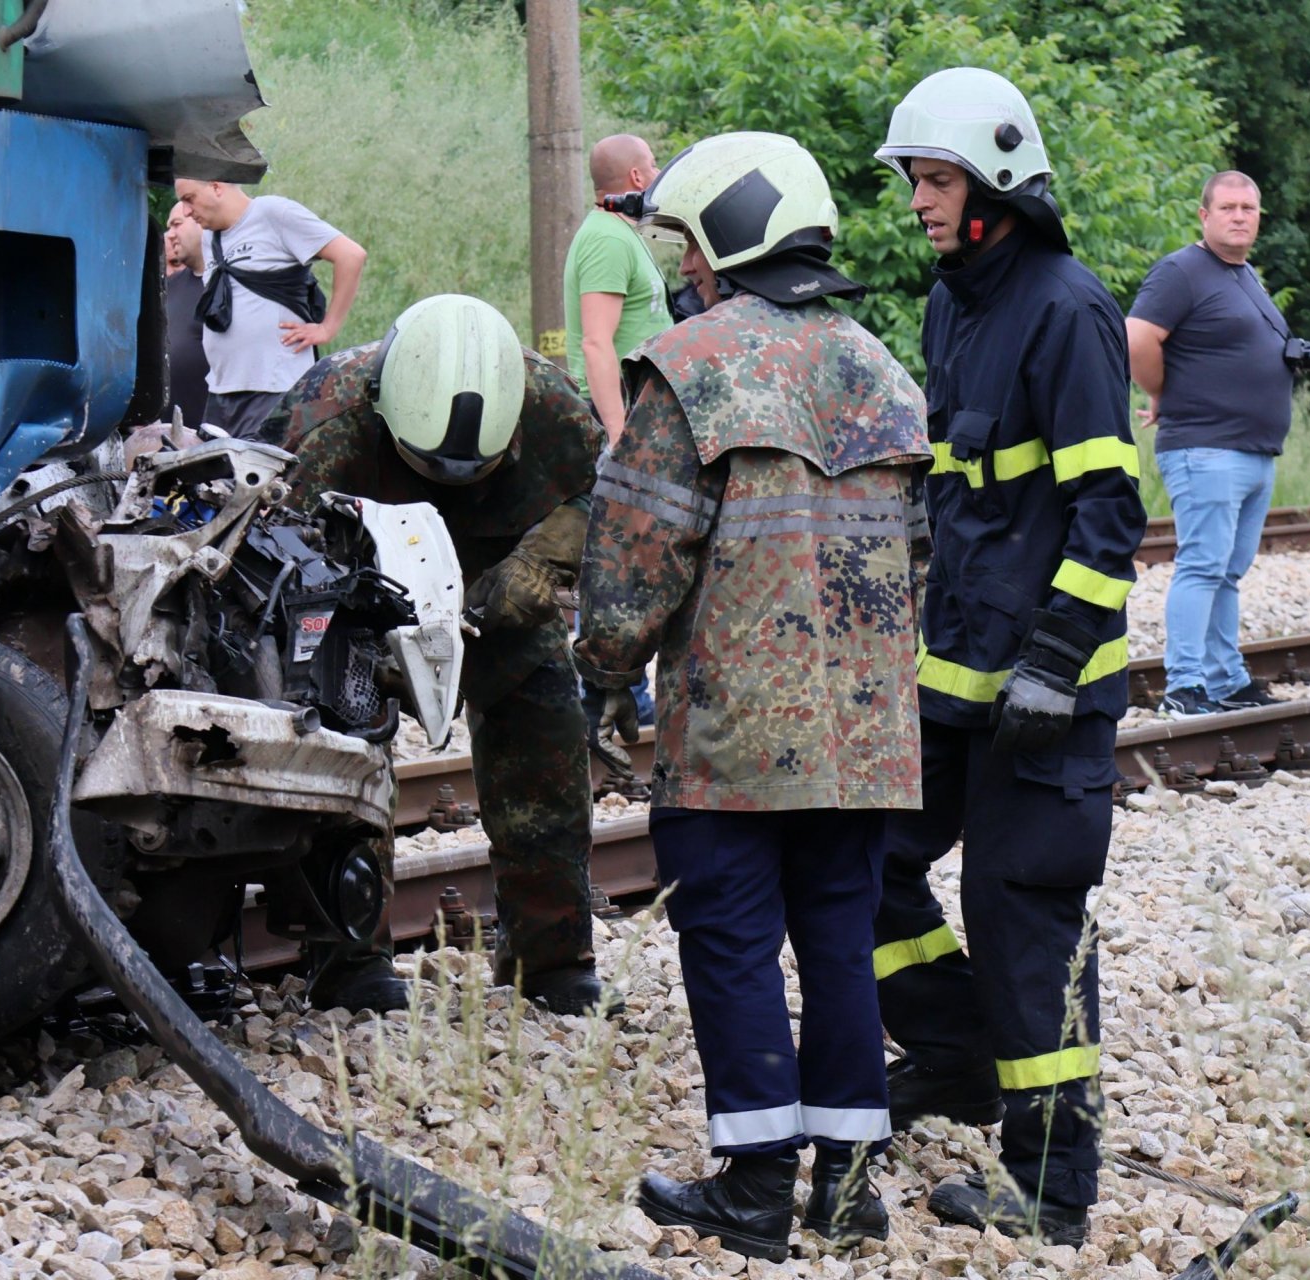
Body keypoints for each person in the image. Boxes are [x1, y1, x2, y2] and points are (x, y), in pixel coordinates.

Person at [575, 132, 930, 1261]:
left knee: (729, 936)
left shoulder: (693, 362)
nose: (687, 266)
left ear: (729, 234)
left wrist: (598, 668)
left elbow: (636, 549)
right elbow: (917, 553)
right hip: (865, 733)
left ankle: (756, 1183)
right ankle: (851, 1184)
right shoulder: (882, 366)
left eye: (690, 242)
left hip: (733, 729)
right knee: (838, 934)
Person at [870, 67, 1146, 1245]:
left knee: (1019, 910)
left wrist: (1055, 661)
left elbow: (1110, 511)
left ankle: (1055, 1183)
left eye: (934, 180)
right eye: (916, 181)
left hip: (1049, 689)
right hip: (958, 672)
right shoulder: (951, 304)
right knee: (866, 855)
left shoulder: (1068, 309)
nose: (920, 202)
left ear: (993, 185)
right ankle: (953, 1052)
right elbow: (954, 491)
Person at [261, 294, 615, 1017]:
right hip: (361, 591)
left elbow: (599, 499)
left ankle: (551, 959)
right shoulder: (320, 419)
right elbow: (275, 542)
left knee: (546, 762)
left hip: (503, 590)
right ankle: (346, 954)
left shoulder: (557, 411)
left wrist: (543, 566)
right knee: (337, 767)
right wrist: (355, 627)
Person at [1127, 172, 1305, 716]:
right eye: (1228, 206)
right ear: (1204, 215)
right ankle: (1184, 688)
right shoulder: (1183, 270)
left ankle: (1226, 679)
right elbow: (1136, 335)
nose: (1239, 216)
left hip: (1251, 451)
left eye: (1249, 208)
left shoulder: (1243, 275)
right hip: (1205, 447)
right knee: (1203, 566)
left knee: (1227, 571)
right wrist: (1161, 390)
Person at [173, 178, 367, 442]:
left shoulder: (273, 213)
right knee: (212, 481)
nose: (185, 211)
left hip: (272, 389)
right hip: (222, 392)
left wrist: (327, 328)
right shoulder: (210, 238)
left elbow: (351, 255)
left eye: (189, 199)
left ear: (216, 187)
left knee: (261, 479)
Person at [564, 134, 670, 445]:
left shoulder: (620, 230)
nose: (658, 171)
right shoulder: (607, 240)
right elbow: (596, 343)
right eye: (652, 165)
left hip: (640, 403)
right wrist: (617, 435)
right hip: (620, 408)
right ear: (636, 176)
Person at [163, 201, 211, 431]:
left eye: (176, 224)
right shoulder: (169, 288)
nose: (169, 235)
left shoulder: (226, 285)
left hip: (213, 431)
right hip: (165, 436)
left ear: (200, 220)